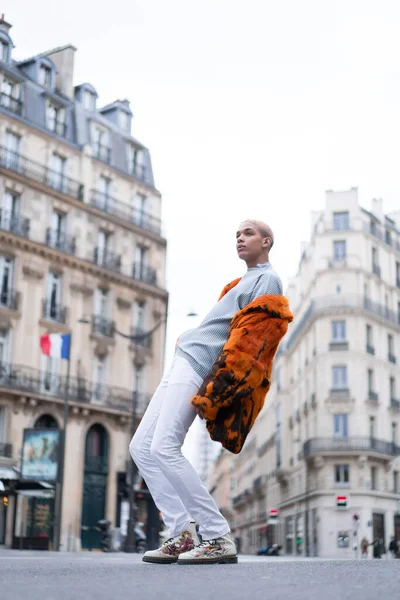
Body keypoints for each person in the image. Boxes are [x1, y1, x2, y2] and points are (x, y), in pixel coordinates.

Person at [129, 220, 293, 565]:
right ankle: (181, 532)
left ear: (267, 241)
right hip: (185, 357)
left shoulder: (268, 279)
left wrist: (224, 385)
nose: (240, 238)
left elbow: (255, 342)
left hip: (199, 363)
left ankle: (217, 535)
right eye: (237, 234)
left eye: (248, 233)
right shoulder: (243, 282)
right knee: (141, 447)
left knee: (164, 446)